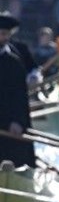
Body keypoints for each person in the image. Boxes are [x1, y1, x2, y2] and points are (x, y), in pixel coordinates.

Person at [0, 12, 39, 168]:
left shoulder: (14, 63)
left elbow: (20, 97)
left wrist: (17, 121)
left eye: (6, 34)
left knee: (14, 155)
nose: (4, 38)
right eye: (2, 34)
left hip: (8, 122)